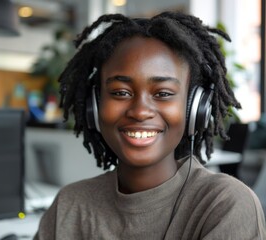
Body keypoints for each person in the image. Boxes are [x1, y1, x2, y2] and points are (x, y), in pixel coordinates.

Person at [33, 11, 266, 239]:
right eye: (121, 92)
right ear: (94, 106)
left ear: (195, 109)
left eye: (163, 93)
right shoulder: (69, 204)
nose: (140, 111)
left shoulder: (223, 204)